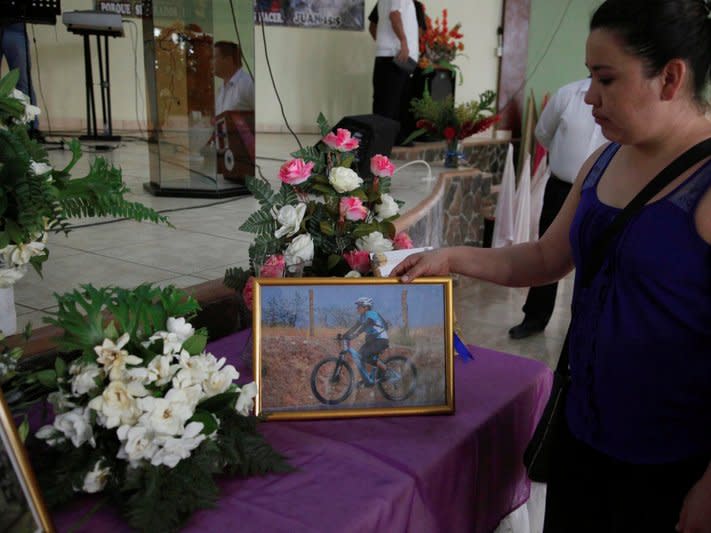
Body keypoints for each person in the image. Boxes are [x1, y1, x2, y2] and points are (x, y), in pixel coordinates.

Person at [392, 0, 711, 531]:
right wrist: (450, 257)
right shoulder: (604, 159)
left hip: (670, 460)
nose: (589, 97)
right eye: (589, 76)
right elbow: (544, 257)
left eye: (605, 79)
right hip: (583, 434)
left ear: (670, 77)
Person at [508, 78, 607, 339]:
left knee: (597, 259)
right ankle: (535, 317)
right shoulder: (569, 94)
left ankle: (586, 328)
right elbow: (544, 133)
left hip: (604, 192)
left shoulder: (623, 96)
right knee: (548, 253)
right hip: (562, 187)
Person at [369, 1, 426, 144]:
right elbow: (394, 15)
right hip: (396, 55)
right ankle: (382, 144)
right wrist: (404, 43)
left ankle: (394, 139)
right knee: (390, 104)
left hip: (393, 55)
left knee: (393, 102)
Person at [0, 22, 41, 139]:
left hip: (15, 26)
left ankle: (31, 127)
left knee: (22, 80)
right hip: (14, 29)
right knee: (22, 80)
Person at [342, 296, 390, 387]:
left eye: (359, 306)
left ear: (366, 307)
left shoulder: (371, 314)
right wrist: (344, 335)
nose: (357, 308)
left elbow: (367, 324)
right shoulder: (362, 317)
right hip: (372, 340)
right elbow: (354, 327)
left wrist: (356, 335)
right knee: (360, 356)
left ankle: (386, 371)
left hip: (381, 339)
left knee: (366, 356)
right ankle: (367, 379)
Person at [213, 41, 254, 115]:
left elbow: (265, 115)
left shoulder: (249, 84)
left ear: (228, 60)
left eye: (214, 57)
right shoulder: (221, 90)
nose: (211, 62)